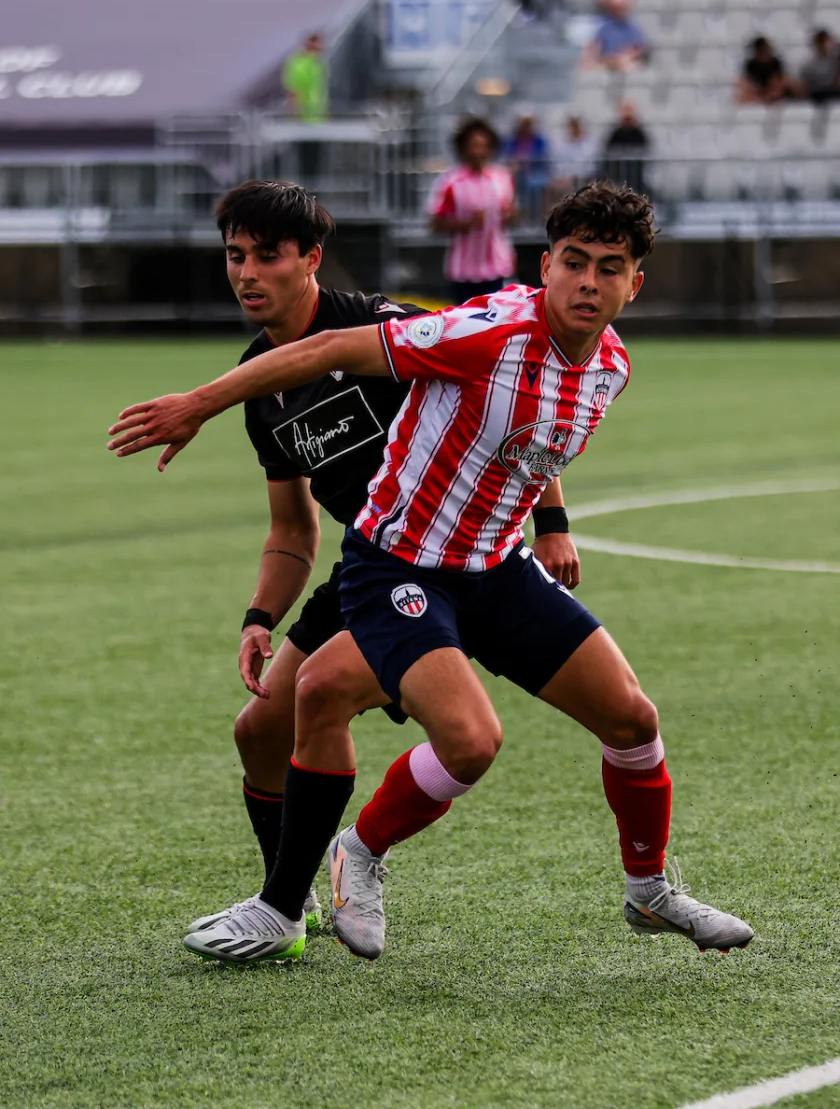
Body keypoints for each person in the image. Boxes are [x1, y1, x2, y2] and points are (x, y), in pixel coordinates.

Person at [108, 183, 755, 966]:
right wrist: (200, 406)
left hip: (493, 567)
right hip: (396, 565)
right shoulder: (481, 330)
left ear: (633, 283)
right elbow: (315, 375)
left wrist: (549, 525)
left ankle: (649, 893)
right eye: (573, 263)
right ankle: (328, 874)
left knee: (633, 720)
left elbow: (527, 435)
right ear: (545, 266)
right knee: (436, 736)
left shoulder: (608, 367)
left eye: (608, 268)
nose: (588, 281)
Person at [177, 179, 433, 941]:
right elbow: (292, 529)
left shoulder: (386, 328)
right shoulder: (258, 384)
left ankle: (298, 900)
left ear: (312, 258)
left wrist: (550, 517)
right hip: (365, 564)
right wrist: (260, 617)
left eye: (267, 256)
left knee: (341, 704)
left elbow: (500, 378)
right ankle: (289, 897)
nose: (247, 273)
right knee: (258, 731)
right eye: (234, 256)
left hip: (441, 562)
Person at [428, 116, 517, 306]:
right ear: (463, 149)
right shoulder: (450, 182)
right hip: (463, 270)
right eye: (473, 146)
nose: (478, 152)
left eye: (483, 146)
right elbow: (435, 223)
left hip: (497, 267)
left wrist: (510, 216)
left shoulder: (502, 178)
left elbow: (510, 214)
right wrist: (467, 223)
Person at [503, 113, 552, 224]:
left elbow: (542, 157)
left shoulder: (540, 140)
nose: (525, 127)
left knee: (535, 186)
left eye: (528, 124)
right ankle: (517, 220)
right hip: (516, 174)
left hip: (536, 173)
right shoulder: (511, 140)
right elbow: (505, 155)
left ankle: (535, 220)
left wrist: (527, 161)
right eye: (523, 124)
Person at [582, 0, 648, 72]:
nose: (619, 12)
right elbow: (596, 48)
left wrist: (625, 55)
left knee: (630, 66)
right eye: (616, 9)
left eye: (621, 9)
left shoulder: (633, 28)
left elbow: (638, 49)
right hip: (607, 61)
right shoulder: (604, 28)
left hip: (625, 60)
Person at [601, 101, 649, 196]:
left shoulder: (640, 134)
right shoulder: (615, 134)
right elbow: (609, 151)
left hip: (636, 176)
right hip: (616, 175)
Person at [738, 37, 800, 104]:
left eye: (766, 50)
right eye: (762, 51)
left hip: (774, 93)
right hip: (757, 93)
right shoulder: (751, 65)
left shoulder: (775, 63)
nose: (765, 54)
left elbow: (779, 81)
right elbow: (748, 83)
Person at [282, 33, 328, 123]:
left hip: (316, 117)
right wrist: (294, 113)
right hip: (302, 117)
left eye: (320, 50)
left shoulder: (317, 65)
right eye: (317, 49)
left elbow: (318, 89)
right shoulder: (298, 64)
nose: (320, 53)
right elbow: (292, 90)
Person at [551, 115, 597, 195]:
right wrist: (565, 177)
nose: (575, 129)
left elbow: (591, 165)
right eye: (572, 126)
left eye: (577, 126)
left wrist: (581, 176)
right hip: (566, 180)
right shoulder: (561, 145)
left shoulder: (590, 144)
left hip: (585, 179)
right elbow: (559, 165)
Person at [800, 29, 840, 104]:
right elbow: (805, 85)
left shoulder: (835, 61)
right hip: (817, 93)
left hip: (833, 91)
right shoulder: (809, 64)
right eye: (822, 43)